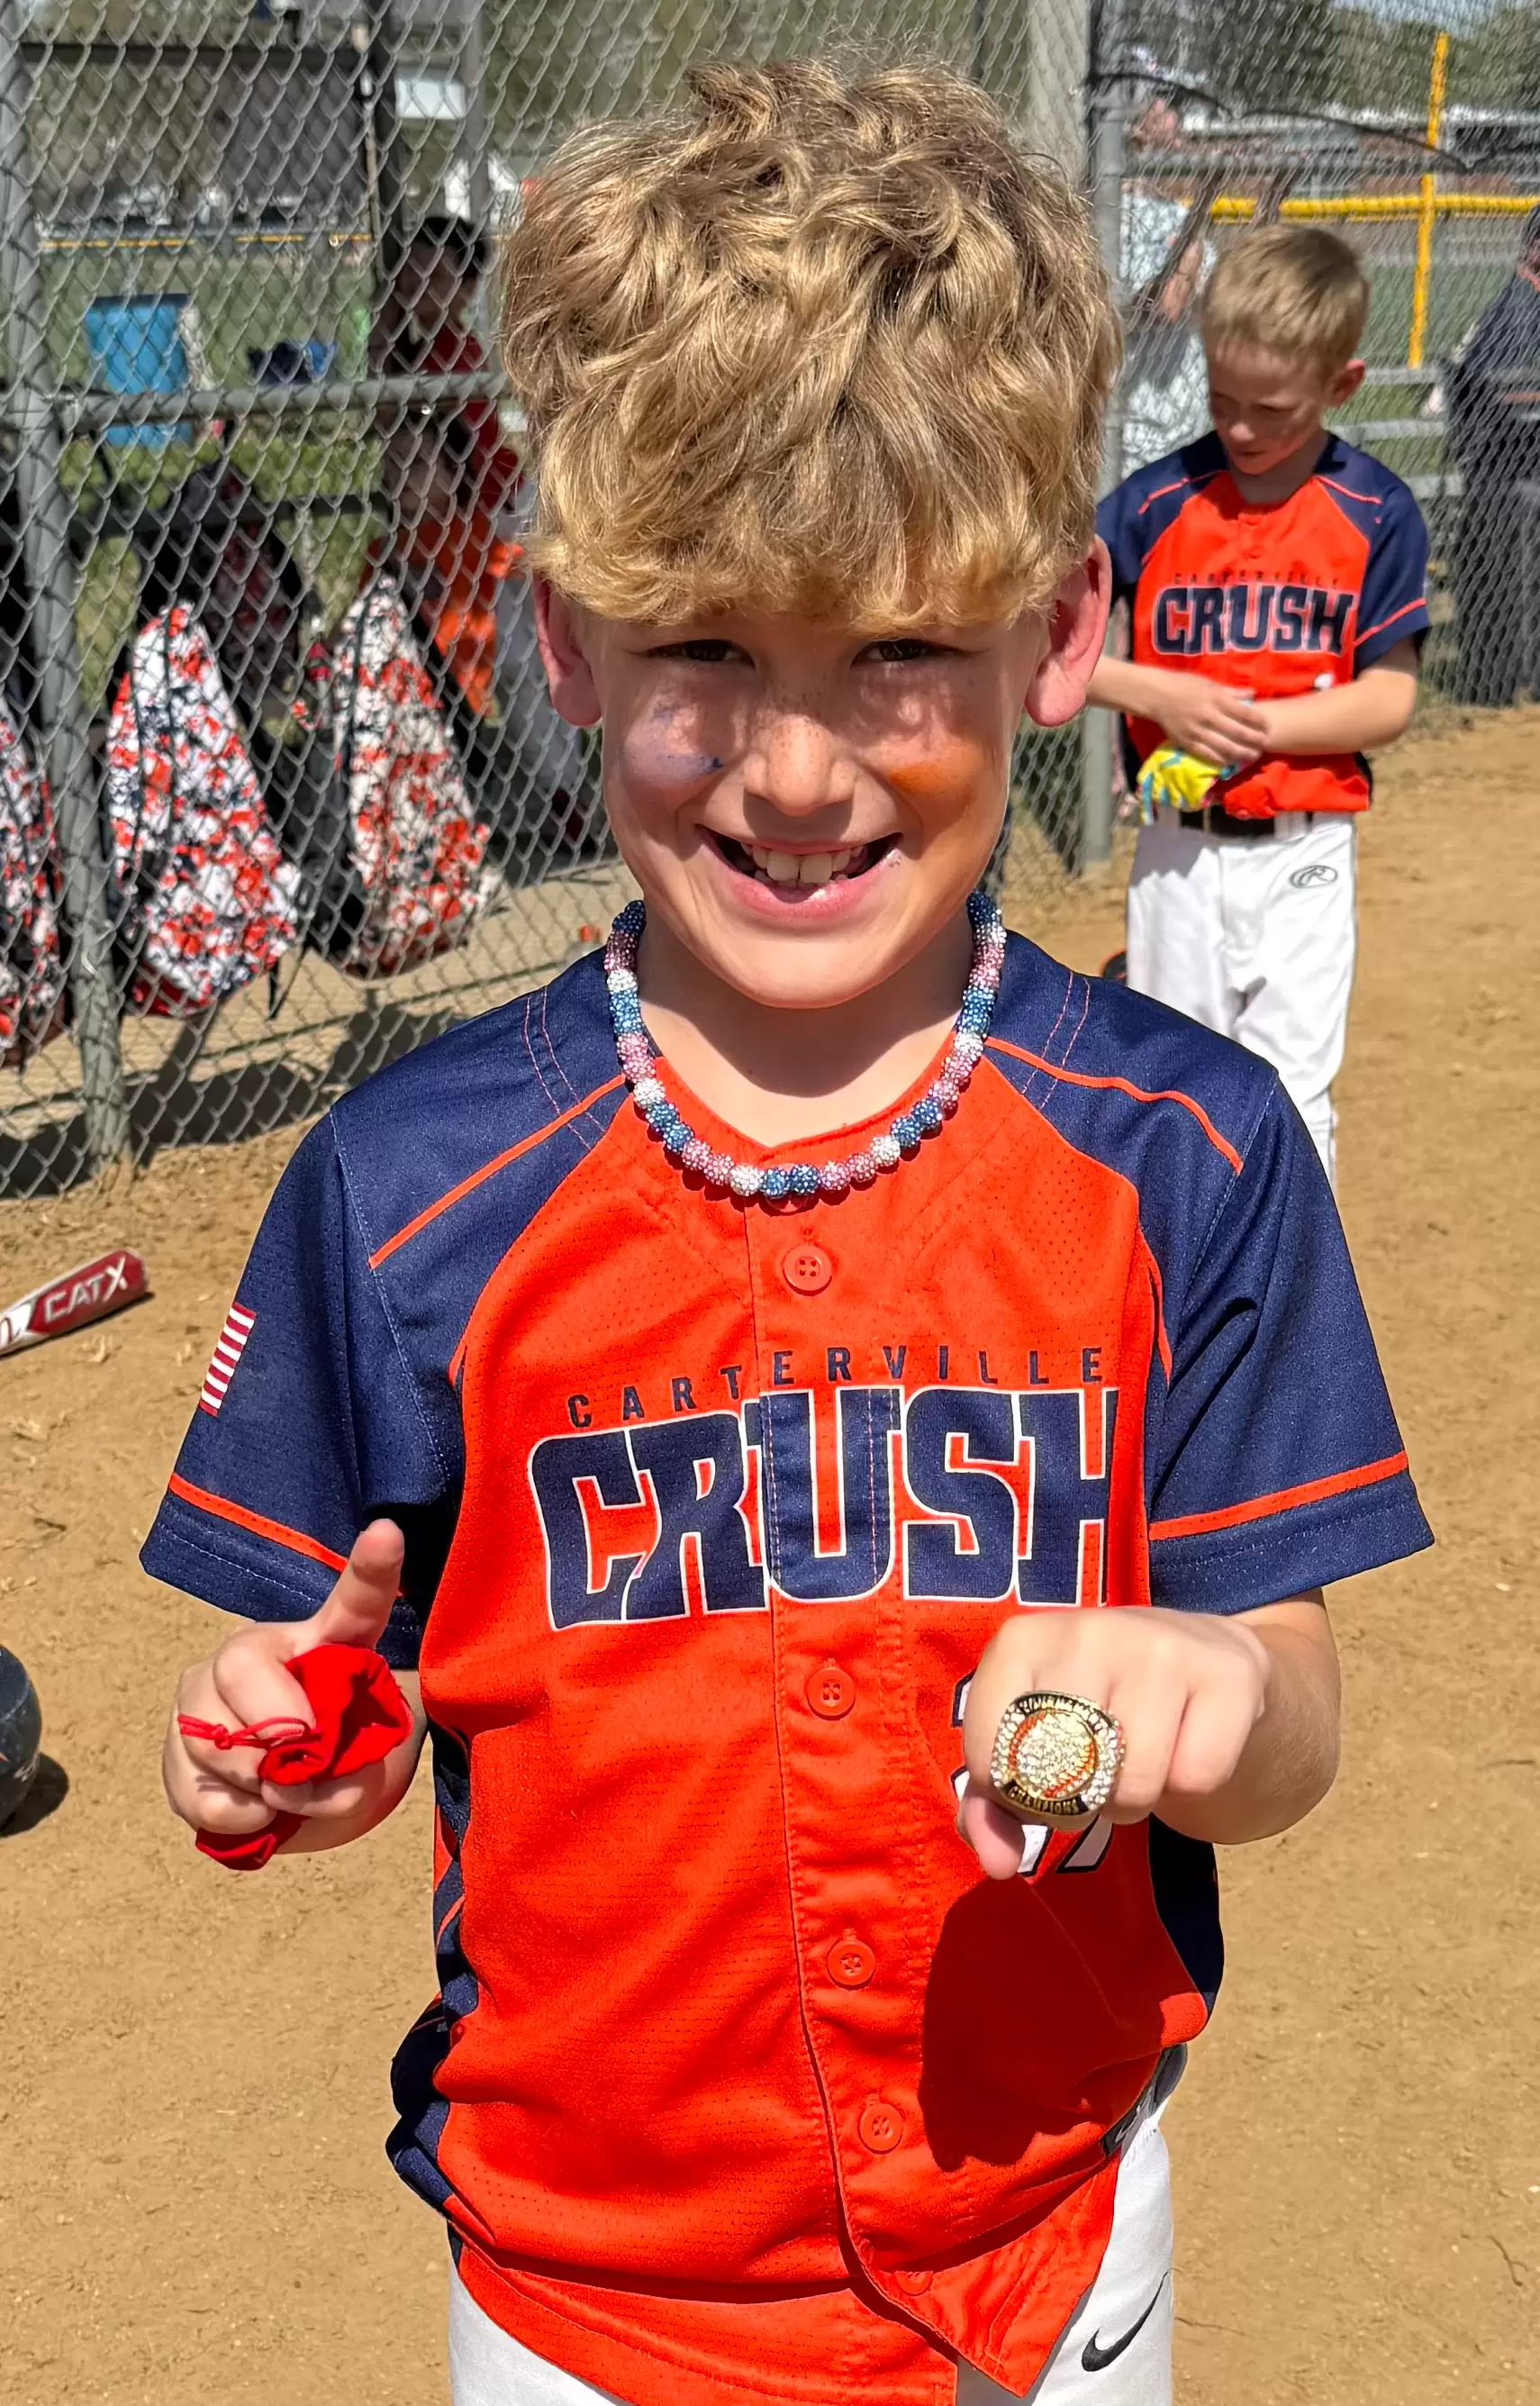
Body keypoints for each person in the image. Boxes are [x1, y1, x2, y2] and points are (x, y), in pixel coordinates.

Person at [148, 65, 1431, 2406]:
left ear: (1060, 628)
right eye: (708, 652)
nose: (801, 765)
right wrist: (301, 1740)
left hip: (1046, 2244)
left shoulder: (1188, 1148)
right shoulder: (409, 1178)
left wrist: (1213, 1693)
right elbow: (355, 1667)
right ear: (564, 644)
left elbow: (1290, 1713)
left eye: (899, 649)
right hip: (583, 2291)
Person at [1087, 226, 1428, 1185]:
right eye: (1221, 400)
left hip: (1303, 852)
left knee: (1292, 1093)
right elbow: (1044, 643)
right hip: (1178, 842)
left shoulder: (1375, 511)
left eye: (1271, 409)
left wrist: (1259, 729)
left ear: (1342, 385)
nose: (1240, 429)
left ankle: (1289, 1274)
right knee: (1172, 1087)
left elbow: (1390, 696)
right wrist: (1153, 689)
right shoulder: (1157, 500)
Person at [1445, 203, 1540, 706]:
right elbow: (1511, 396)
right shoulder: (1517, 308)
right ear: (1535, 249)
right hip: (1503, 468)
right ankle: (1501, 679)